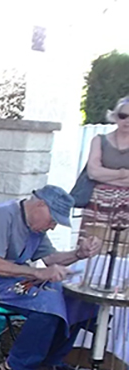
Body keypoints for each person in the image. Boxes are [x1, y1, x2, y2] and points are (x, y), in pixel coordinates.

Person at [0, 185, 103, 370]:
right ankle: (13, 369)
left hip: (14, 280)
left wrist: (79, 253)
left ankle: (45, 363)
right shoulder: (3, 215)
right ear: (40, 205)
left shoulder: (35, 225)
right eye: (53, 220)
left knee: (79, 300)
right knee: (47, 304)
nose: (53, 226)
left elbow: (50, 259)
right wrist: (37, 274)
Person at [78, 95, 129, 264]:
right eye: (123, 116)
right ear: (115, 116)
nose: (127, 121)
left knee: (121, 256)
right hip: (97, 205)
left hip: (127, 208)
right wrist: (123, 174)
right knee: (90, 250)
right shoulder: (99, 140)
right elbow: (93, 172)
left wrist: (107, 175)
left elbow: (100, 174)